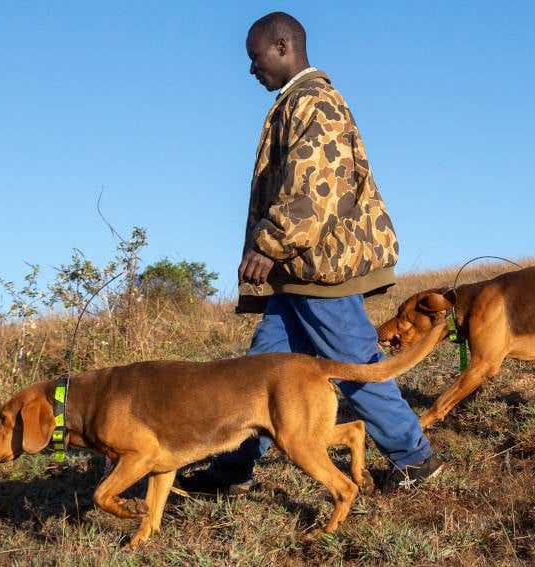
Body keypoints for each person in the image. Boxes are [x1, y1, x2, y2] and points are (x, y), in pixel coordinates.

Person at [177, 11, 442, 495]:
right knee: (257, 373)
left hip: (321, 269)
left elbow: (314, 190)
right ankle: (231, 470)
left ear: (282, 47)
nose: (251, 68)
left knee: (354, 363)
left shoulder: (315, 101)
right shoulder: (293, 103)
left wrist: (268, 242)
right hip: (298, 271)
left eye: (254, 57)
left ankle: (414, 458)